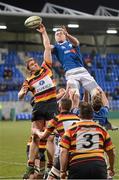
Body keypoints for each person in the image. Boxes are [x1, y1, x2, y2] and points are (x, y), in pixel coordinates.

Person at [18, 24, 58, 179]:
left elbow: (47, 48)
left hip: (52, 105)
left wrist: (44, 33)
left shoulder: (46, 68)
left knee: (50, 137)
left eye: (35, 62)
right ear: (29, 68)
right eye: (31, 64)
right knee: (35, 136)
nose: (34, 64)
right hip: (39, 107)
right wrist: (22, 93)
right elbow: (21, 93)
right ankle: (30, 165)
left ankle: (53, 166)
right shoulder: (28, 80)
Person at [60, 101, 115, 179]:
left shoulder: (70, 130)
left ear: (79, 115)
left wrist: (63, 171)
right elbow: (111, 152)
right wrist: (111, 168)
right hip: (98, 167)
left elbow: (63, 152)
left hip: (77, 166)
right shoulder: (101, 130)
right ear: (92, 115)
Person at [52, 26, 103, 102]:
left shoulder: (71, 43)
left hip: (82, 71)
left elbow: (76, 42)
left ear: (65, 35)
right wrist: (44, 33)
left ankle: (99, 111)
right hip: (70, 74)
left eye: (61, 33)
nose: (59, 35)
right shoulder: (55, 47)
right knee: (74, 95)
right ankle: (74, 112)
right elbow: (47, 47)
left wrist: (68, 35)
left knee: (97, 92)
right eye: (57, 34)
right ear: (55, 38)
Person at [33, 98, 80, 179]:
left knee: (51, 177)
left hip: (65, 153)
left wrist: (36, 131)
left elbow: (44, 137)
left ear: (60, 106)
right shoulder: (77, 117)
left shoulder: (57, 118)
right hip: (78, 153)